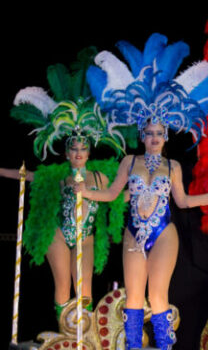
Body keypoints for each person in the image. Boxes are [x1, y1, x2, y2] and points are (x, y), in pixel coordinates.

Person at [83, 33, 208, 349]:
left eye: (159, 133)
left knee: (158, 295)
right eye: (149, 133)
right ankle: (134, 347)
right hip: (135, 232)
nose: (154, 138)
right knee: (134, 297)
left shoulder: (173, 166)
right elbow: (111, 195)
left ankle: (164, 347)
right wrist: (86, 192)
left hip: (164, 232)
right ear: (141, 133)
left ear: (166, 135)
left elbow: (183, 201)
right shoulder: (129, 162)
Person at [6, 58, 127, 321]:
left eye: (83, 148)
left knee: (84, 291)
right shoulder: (56, 175)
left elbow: (120, 193)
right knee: (62, 287)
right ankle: (66, 336)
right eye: (74, 148)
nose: (79, 152)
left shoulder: (100, 177)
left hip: (87, 237)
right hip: (59, 236)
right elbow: (29, 177)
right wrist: (2, 172)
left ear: (90, 150)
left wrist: (144, 192)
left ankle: (84, 338)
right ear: (66, 151)